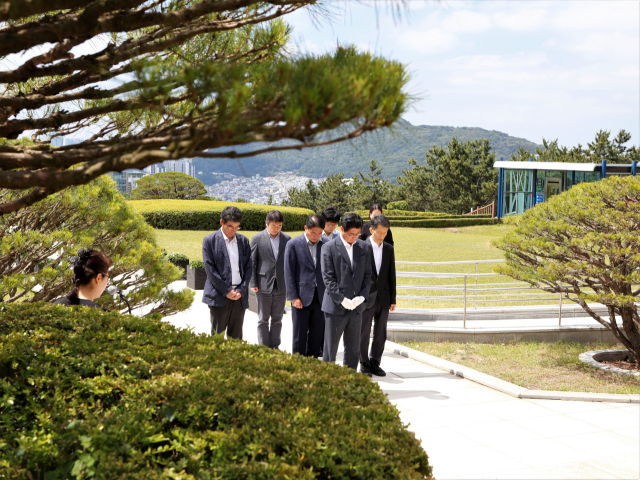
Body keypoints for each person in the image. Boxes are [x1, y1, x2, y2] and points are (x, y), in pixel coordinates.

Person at [321, 213, 372, 370]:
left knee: (353, 349)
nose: (354, 237)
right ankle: (327, 382)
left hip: (356, 308)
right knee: (330, 349)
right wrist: (342, 299)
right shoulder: (328, 247)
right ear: (342, 229)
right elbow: (328, 278)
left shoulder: (364, 247)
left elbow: (368, 276)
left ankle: (348, 382)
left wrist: (362, 297)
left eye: (358, 234)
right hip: (335, 307)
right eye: (351, 234)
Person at [202, 206, 252, 340]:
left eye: (237, 227)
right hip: (218, 296)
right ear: (221, 222)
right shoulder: (209, 241)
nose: (233, 230)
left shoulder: (243, 241)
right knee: (217, 338)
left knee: (236, 338)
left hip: (239, 297)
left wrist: (241, 290)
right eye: (230, 226)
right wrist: (227, 290)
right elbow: (210, 270)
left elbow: (248, 268)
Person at [284, 215, 328, 357]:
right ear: (305, 228)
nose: (316, 236)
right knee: (299, 334)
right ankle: (297, 364)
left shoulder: (326, 244)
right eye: (313, 232)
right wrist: (294, 296)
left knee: (317, 333)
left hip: (321, 297)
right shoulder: (293, 244)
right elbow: (289, 272)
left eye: (319, 232)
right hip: (301, 297)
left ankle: (313, 363)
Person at [359, 215, 396, 377]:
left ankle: (375, 361)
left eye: (385, 233)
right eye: (379, 232)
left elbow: (391, 275)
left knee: (381, 332)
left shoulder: (389, 249)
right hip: (366, 298)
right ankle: (364, 362)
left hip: (384, 298)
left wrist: (393, 299)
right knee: (364, 331)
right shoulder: (361, 247)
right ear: (371, 230)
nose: (382, 236)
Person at [250, 210, 291, 349]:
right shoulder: (257, 238)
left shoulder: (287, 239)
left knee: (278, 319)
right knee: (263, 319)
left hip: (281, 285)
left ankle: (275, 346)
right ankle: (263, 346)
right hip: (262, 284)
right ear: (266, 223)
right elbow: (252, 262)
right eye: (273, 225)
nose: (276, 228)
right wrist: (253, 282)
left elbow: (289, 263)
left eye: (279, 225)